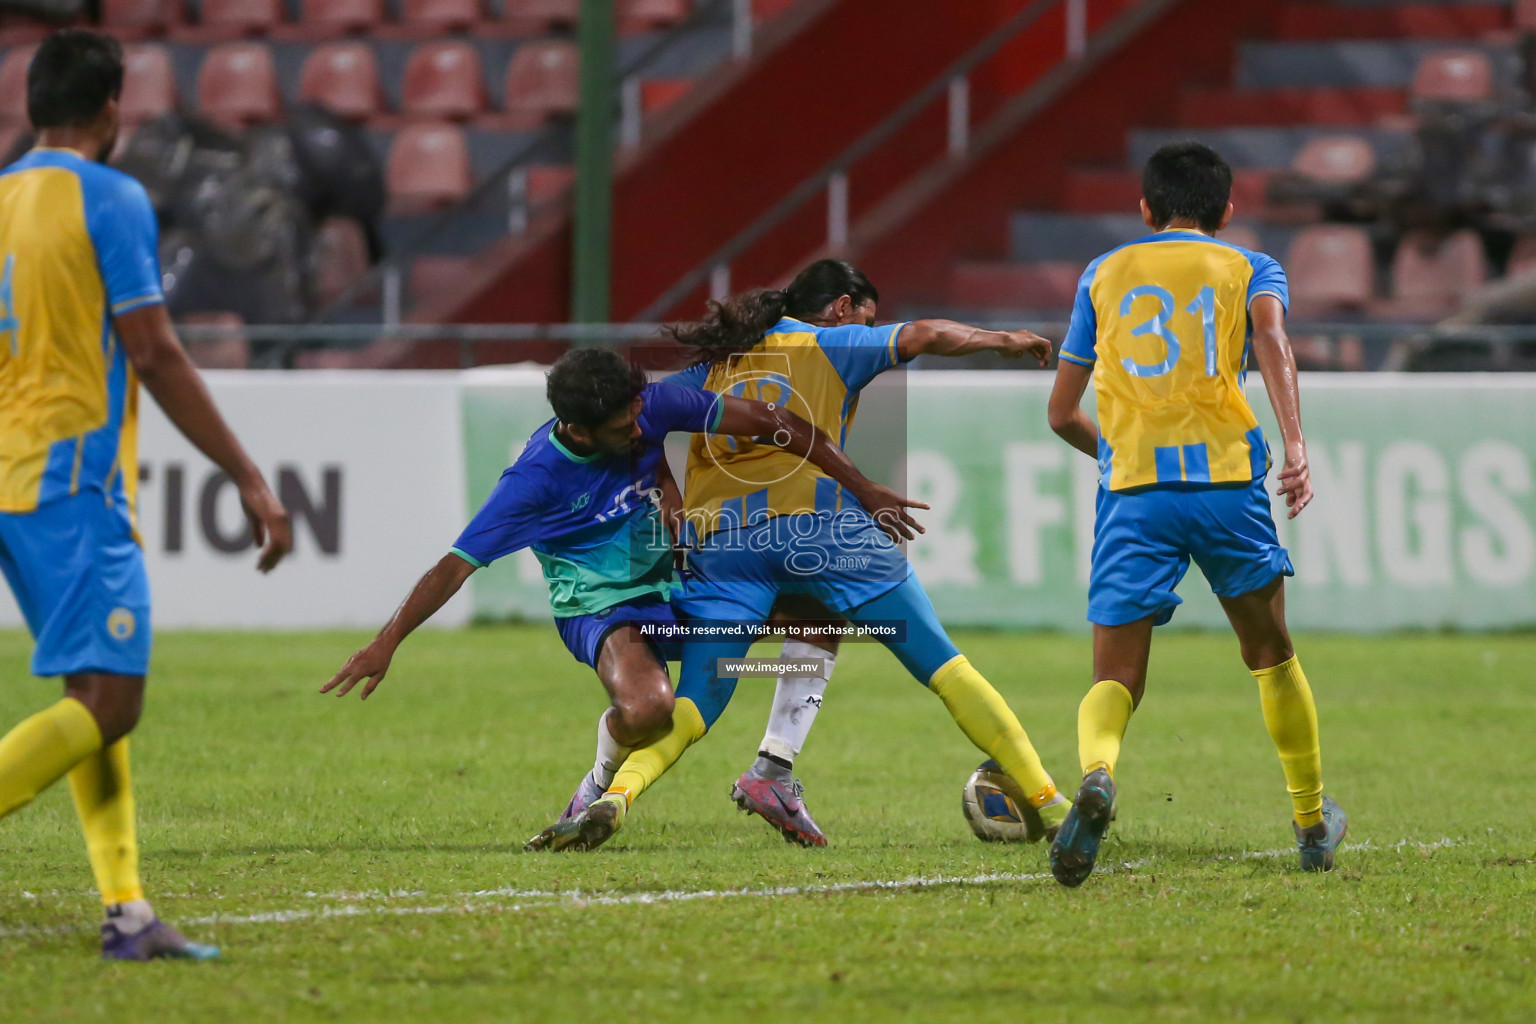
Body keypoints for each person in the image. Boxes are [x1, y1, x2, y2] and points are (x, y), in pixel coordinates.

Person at [528, 259, 1072, 854]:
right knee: (943, 666)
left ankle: (628, 793)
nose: (873, 324)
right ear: (842, 307)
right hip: (826, 538)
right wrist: (1002, 340)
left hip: (726, 549)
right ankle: (1053, 803)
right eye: (867, 313)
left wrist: (670, 494)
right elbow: (927, 333)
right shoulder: (837, 344)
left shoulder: (717, 366)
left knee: (713, 689)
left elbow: (641, 420)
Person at [322, 349, 921, 838]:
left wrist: (863, 487)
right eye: (621, 428)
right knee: (650, 710)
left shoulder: (648, 408)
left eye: (639, 416)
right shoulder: (534, 481)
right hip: (605, 608)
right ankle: (597, 784)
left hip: (675, 583)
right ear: (578, 429)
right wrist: (387, 642)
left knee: (815, 617)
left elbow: (777, 424)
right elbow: (453, 568)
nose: (639, 428)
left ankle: (773, 769)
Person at [0, 31, 292, 959]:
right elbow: (155, 350)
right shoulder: (109, 194)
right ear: (112, 110)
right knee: (114, 699)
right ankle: (127, 913)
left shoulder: (3, 196)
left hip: (13, 470)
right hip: (71, 475)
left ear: (30, 106)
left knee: (93, 686)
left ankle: (127, 912)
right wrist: (247, 474)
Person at [1044, 141, 1347, 888]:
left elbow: (1060, 414)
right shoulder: (1250, 267)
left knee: (1114, 676)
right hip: (1226, 485)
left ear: (1145, 210)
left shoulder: (1102, 273)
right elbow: (1272, 338)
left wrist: (1118, 460)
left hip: (1135, 493)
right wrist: (1297, 445)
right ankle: (1311, 822)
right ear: (1228, 211)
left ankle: (1099, 775)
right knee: (1270, 653)